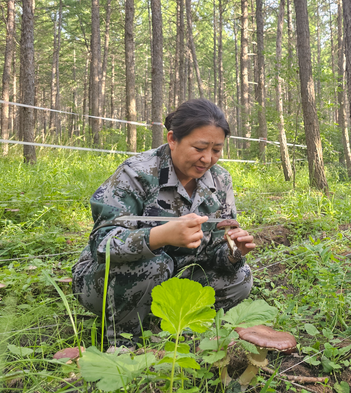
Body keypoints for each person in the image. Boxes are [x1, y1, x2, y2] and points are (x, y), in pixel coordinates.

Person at [72, 99, 255, 348]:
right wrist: (159, 236)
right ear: (172, 139)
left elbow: (215, 252)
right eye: (199, 147)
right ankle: (122, 344)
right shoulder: (136, 173)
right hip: (105, 281)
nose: (207, 158)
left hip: (178, 274)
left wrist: (233, 252)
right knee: (154, 265)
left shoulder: (220, 180)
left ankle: (171, 328)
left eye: (216, 150)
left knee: (241, 278)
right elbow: (102, 244)